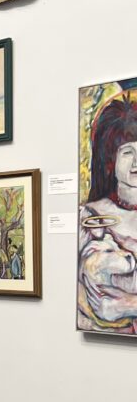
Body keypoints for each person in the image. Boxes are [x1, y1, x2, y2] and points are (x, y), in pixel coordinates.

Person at [79, 94, 137, 331]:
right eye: (127, 152)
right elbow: (98, 304)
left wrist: (130, 303)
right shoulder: (91, 217)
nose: (136, 162)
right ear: (109, 160)